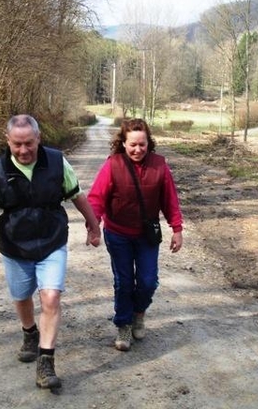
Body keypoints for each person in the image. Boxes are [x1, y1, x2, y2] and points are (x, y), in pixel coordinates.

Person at [0, 114, 101, 389]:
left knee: (51, 297)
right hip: (15, 246)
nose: (24, 150)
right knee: (21, 296)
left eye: (29, 143)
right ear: (7, 141)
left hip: (52, 241)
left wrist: (92, 224)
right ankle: (29, 331)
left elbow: (76, 193)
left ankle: (46, 362)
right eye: (17, 144)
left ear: (38, 138)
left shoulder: (56, 161)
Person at [87, 118, 183, 351]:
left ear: (149, 143)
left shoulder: (160, 165)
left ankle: (139, 313)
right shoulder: (113, 165)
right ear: (123, 143)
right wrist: (93, 226)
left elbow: (170, 199)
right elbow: (96, 198)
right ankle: (123, 324)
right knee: (124, 282)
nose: (138, 149)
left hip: (146, 236)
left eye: (142, 144)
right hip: (118, 233)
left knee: (148, 281)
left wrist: (177, 228)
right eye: (133, 145)